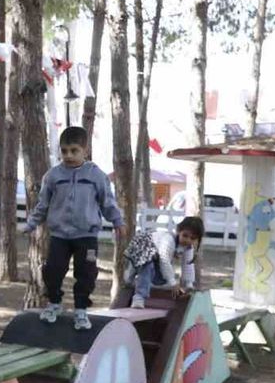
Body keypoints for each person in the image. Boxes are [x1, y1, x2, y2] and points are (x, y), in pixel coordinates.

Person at [21, 126, 125, 330]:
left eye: (74, 150)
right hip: (60, 235)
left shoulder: (96, 176)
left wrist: (117, 221)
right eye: (64, 151)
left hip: (86, 236)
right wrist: (32, 223)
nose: (68, 155)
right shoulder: (53, 176)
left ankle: (81, 310)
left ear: (85, 150)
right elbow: (43, 204)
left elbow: (107, 201)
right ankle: (54, 303)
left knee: (86, 273)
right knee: (52, 270)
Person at [122, 216, 204, 308]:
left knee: (161, 278)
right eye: (185, 235)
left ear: (197, 240)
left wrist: (189, 285)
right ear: (178, 231)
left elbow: (188, 265)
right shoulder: (168, 240)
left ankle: (133, 278)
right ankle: (139, 297)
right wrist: (173, 283)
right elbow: (164, 261)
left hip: (156, 257)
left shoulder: (188, 248)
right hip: (144, 247)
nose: (188, 240)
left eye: (192, 238)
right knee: (146, 266)